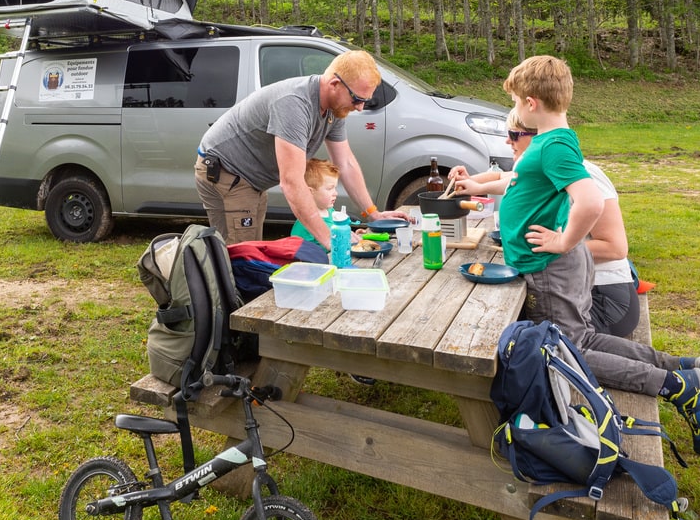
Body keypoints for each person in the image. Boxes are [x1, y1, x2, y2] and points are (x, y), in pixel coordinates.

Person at [490, 55, 700, 456]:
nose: (514, 111)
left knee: (564, 349)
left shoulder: (550, 145)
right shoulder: (555, 140)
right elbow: (524, 186)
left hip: (550, 267)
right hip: (557, 265)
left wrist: (563, 241)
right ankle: (681, 367)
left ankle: (674, 387)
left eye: (514, 101)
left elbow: (590, 202)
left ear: (531, 102)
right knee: (585, 336)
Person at [451, 110, 639, 337]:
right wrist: (468, 180)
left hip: (605, 298)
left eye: (513, 134)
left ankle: (670, 371)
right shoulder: (543, 168)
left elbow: (616, 247)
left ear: (537, 135)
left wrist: (554, 245)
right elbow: (505, 178)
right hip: (576, 290)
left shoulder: (579, 173)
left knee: (521, 334)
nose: (507, 140)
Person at [195, 50, 405, 248]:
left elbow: (346, 163)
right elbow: (292, 182)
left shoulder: (336, 108)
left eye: (365, 101)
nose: (359, 107)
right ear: (334, 84)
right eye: (357, 99)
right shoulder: (294, 104)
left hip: (253, 179)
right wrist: (330, 241)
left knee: (251, 248)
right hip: (226, 171)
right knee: (240, 254)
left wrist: (373, 214)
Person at [289, 158, 340, 241]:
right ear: (310, 192)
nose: (336, 193)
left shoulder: (330, 211)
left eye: (335, 188)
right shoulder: (305, 227)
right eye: (330, 188)